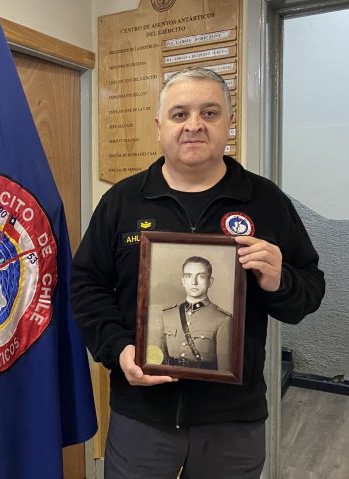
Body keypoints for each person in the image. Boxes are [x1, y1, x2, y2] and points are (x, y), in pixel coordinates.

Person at [71, 66, 325, 478]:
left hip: (233, 419)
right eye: (179, 114)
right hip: (142, 415)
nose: (194, 125)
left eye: (209, 113)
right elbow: (87, 286)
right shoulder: (123, 201)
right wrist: (118, 349)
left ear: (229, 122)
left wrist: (281, 281)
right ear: (159, 127)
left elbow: (309, 292)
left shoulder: (266, 201)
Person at [157, 256, 231, 371]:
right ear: (183, 281)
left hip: (204, 386)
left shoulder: (222, 319)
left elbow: (225, 371)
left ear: (210, 281)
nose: (194, 282)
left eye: (201, 276)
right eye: (188, 276)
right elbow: (160, 360)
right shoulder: (167, 315)